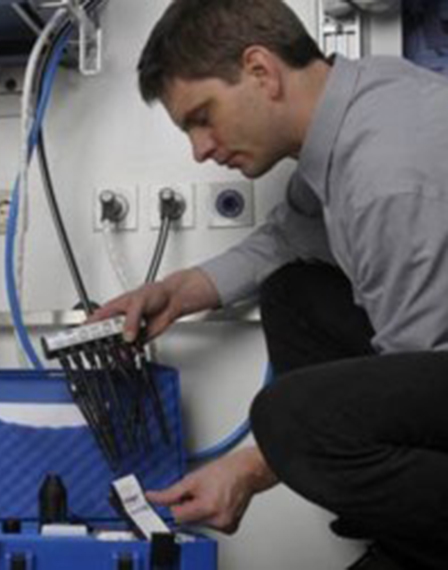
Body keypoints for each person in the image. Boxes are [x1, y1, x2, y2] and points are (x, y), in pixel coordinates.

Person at [91, 1, 448, 568]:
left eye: (202, 117)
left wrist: (255, 467)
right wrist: (178, 293)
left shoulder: (385, 174)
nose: (200, 150)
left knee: (287, 418)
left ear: (261, 71)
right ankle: (410, 535)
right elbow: (286, 239)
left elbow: (414, 389)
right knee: (293, 293)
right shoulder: (361, 105)